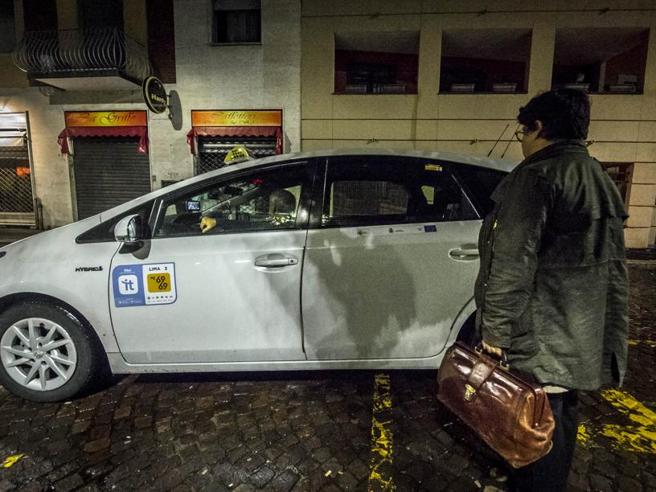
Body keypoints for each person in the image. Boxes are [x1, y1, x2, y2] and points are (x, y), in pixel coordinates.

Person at [474, 89, 629, 491]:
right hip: (579, 326)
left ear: (538, 127)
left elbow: (511, 262)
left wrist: (495, 330)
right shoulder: (596, 175)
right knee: (560, 411)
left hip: (542, 328)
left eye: (522, 132)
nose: (521, 141)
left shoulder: (536, 176)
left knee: (536, 416)